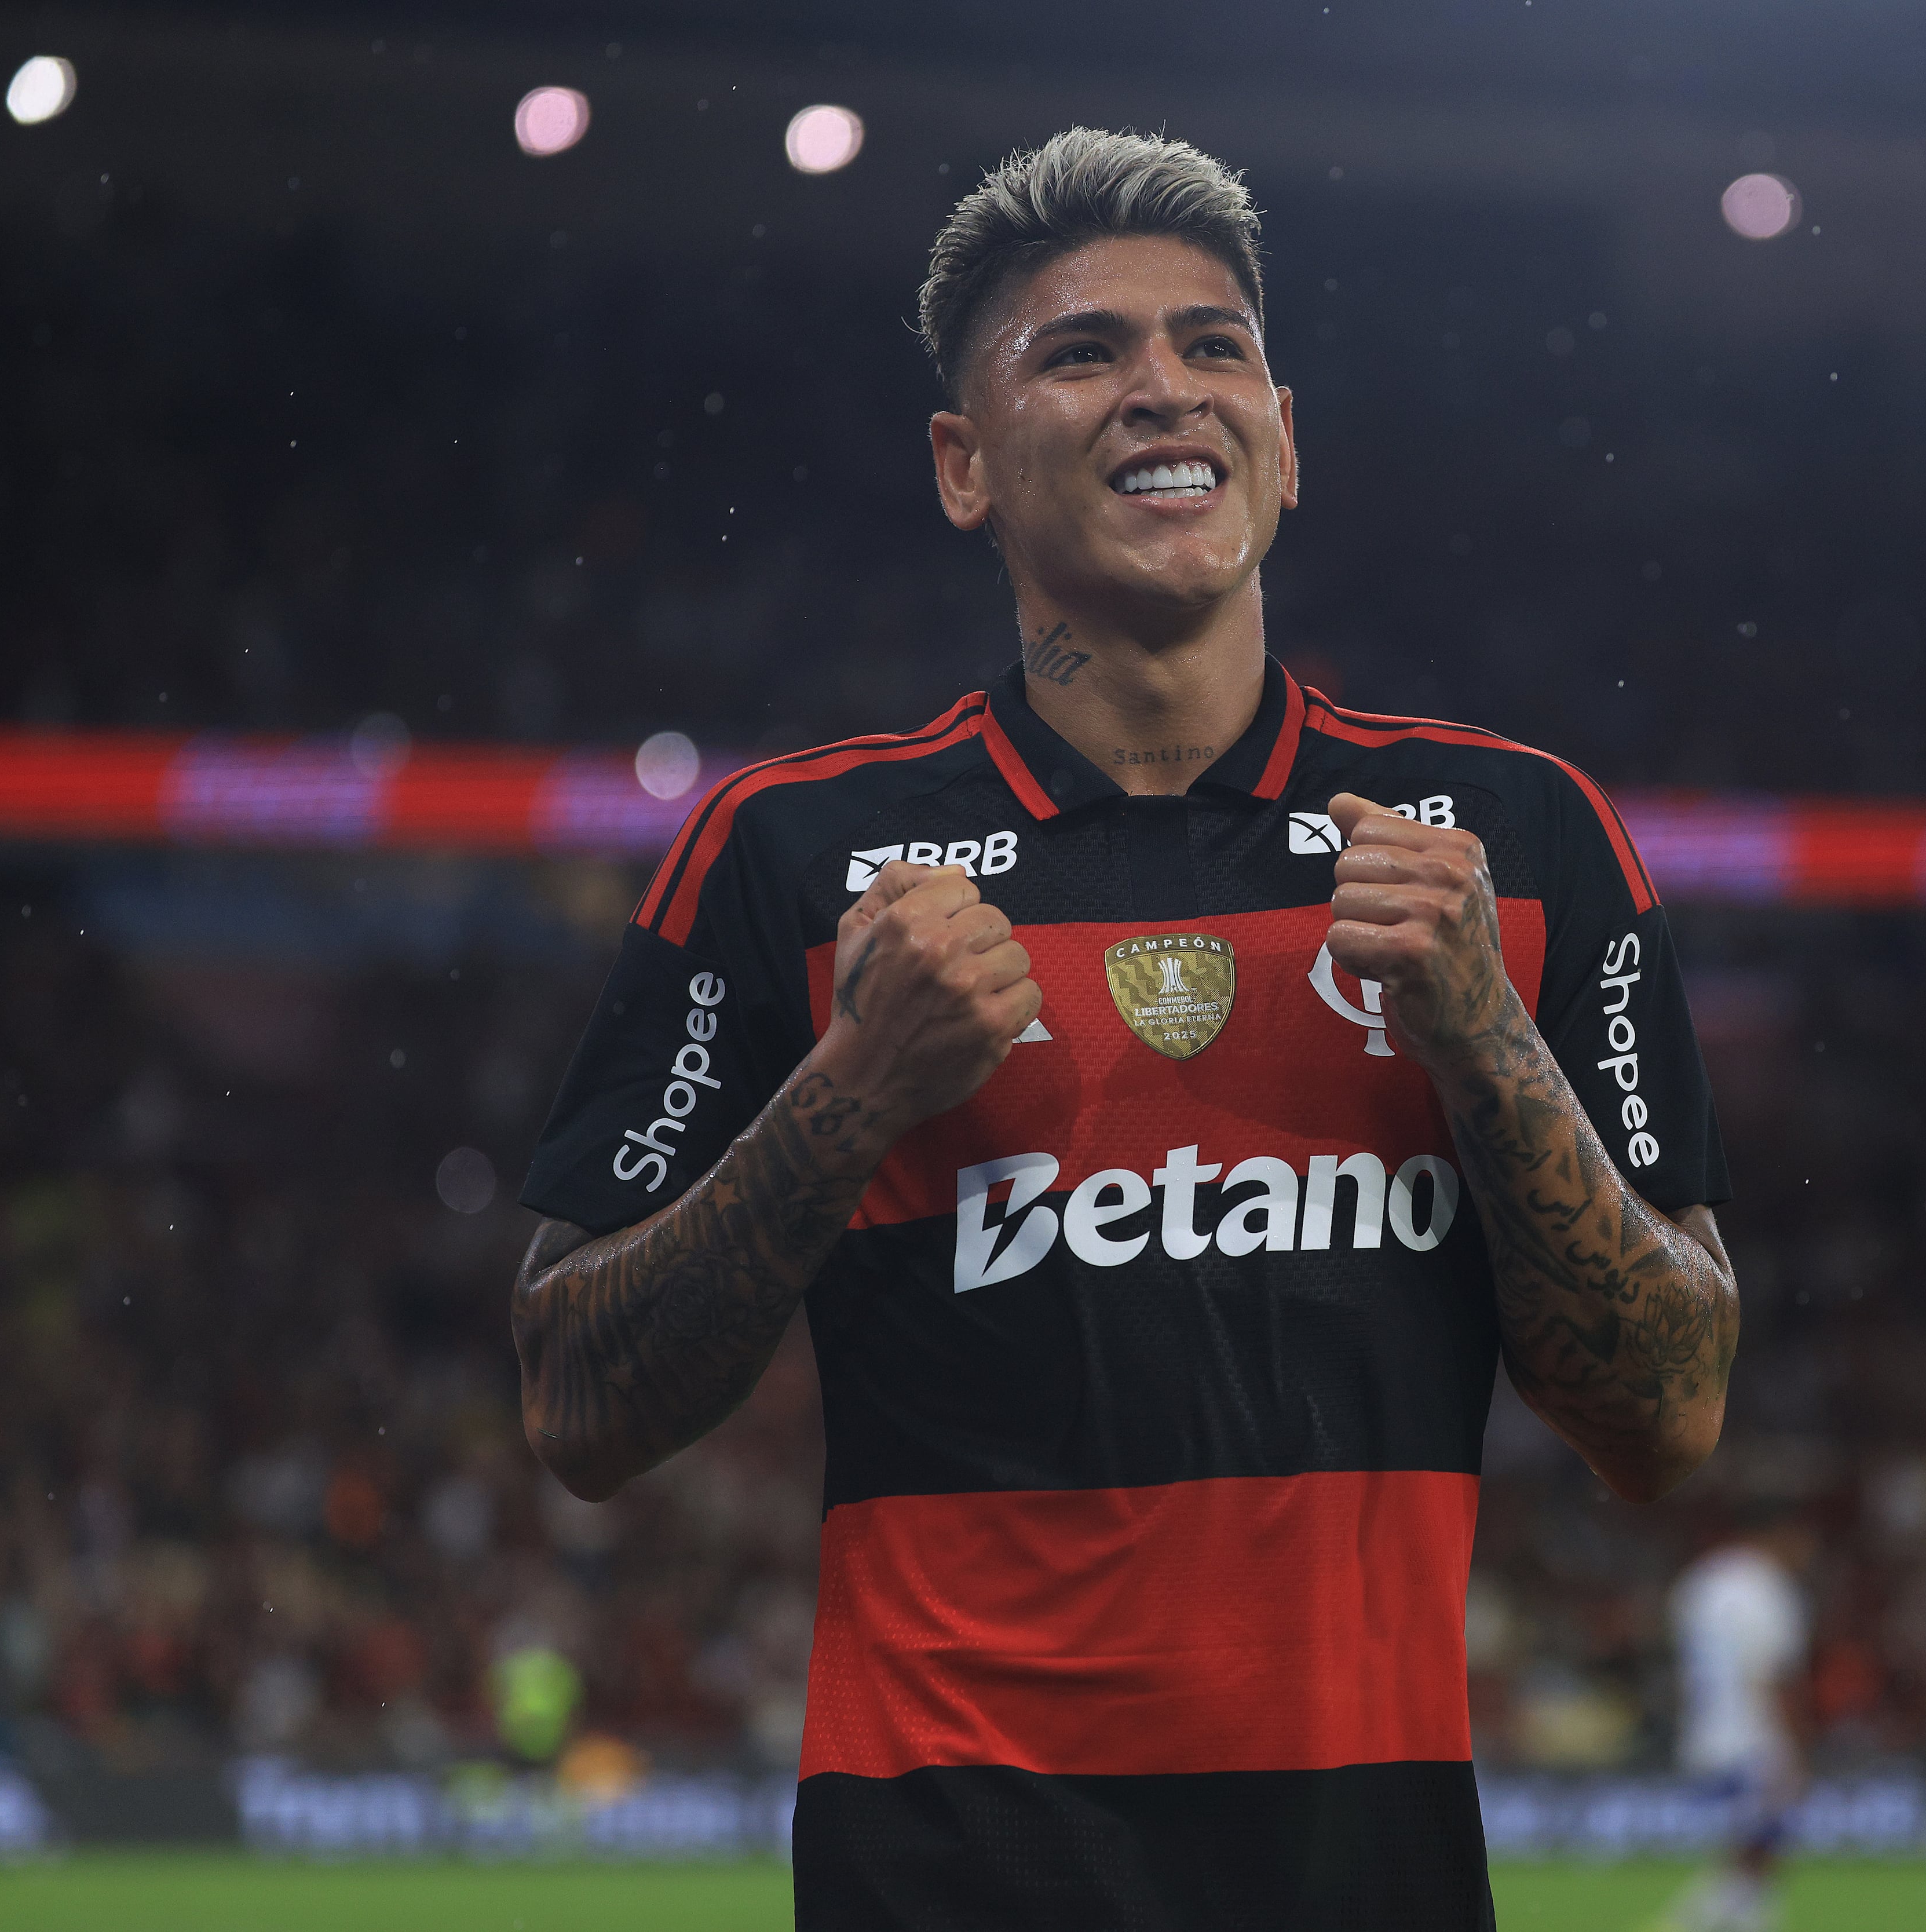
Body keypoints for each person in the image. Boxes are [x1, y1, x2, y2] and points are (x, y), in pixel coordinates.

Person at [507, 128, 1739, 1929]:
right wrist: (847, 1094)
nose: (1163, 386)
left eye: (1212, 344)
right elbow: (575, 1400)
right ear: (962, 466)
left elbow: (1669, 1413)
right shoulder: (787, 854)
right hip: (939, 1880)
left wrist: (1485, 1037)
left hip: (1368, 1880)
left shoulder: (1513, 843)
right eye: (1081, 351)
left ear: (1286, 434)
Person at [1655, 1504, 1818, 1932]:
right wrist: (1795, 1748)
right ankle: (1695, 1920)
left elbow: (1682, 1667)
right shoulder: (1767, 1588)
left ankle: (1737, 1919)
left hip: (1704, 1731)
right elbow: (1773, 1676)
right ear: (1779, 1533)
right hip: (1755, 1738)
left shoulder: (1700, 1582)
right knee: (1763, 1846)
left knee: (1753, 1846)